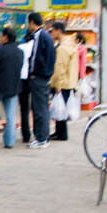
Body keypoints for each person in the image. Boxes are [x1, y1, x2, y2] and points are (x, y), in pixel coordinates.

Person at [26, 11, 55, 149]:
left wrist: (34, 72)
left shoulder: (39, 37)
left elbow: (36, 58)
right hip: (44, 77)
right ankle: (43, 137)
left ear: (32, 22)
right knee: (42, 108)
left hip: (39, 77)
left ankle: (41, 138)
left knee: (39, 108)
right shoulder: (47, 36)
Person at [49, 20, 79, 142]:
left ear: (59, 31)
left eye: (53, 30)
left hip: (63, 82)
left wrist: (57, 84)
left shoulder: (62, 48)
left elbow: (60, 67)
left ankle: (61, 134)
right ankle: (60, 132)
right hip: (69, 82)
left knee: (60, 107)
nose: (51, 33)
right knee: (62, 106)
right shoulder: (71, 44)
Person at [18, 25, 35, 145]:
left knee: (24, 109)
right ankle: (38, 133)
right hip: (35, 79)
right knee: (36, 108)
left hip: (23, 80)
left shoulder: (21, 47)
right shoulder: (37, 46)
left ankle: (26, 134)